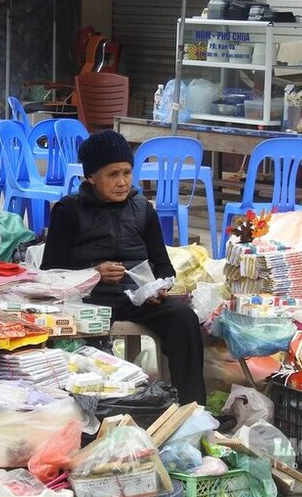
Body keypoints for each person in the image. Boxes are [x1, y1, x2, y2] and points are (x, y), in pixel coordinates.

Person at [41, 130, 206, 404]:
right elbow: (50, 273)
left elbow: (163, 267)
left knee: (183, 317)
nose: (122, 182)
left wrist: (159, 288)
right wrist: (93, 273)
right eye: (113, 174)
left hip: (137, 300)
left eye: (127, 173)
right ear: (91, 177)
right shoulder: (68, 211)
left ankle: (192, 408)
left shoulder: (142, 209)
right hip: (89, 301)